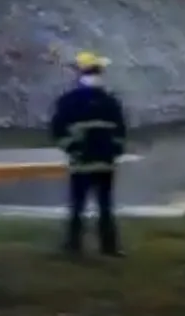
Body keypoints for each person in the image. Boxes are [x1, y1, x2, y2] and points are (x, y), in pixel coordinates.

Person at [49, 51, 127, 257]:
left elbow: (57, 130)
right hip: (104, 163)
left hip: (81, 162)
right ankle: (109, 247)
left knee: (78, 205)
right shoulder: (110, 101)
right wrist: (114, 151)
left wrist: (72, 148)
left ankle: (73, 246)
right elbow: (120, 132)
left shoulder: (68, 101)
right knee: (105, 206)